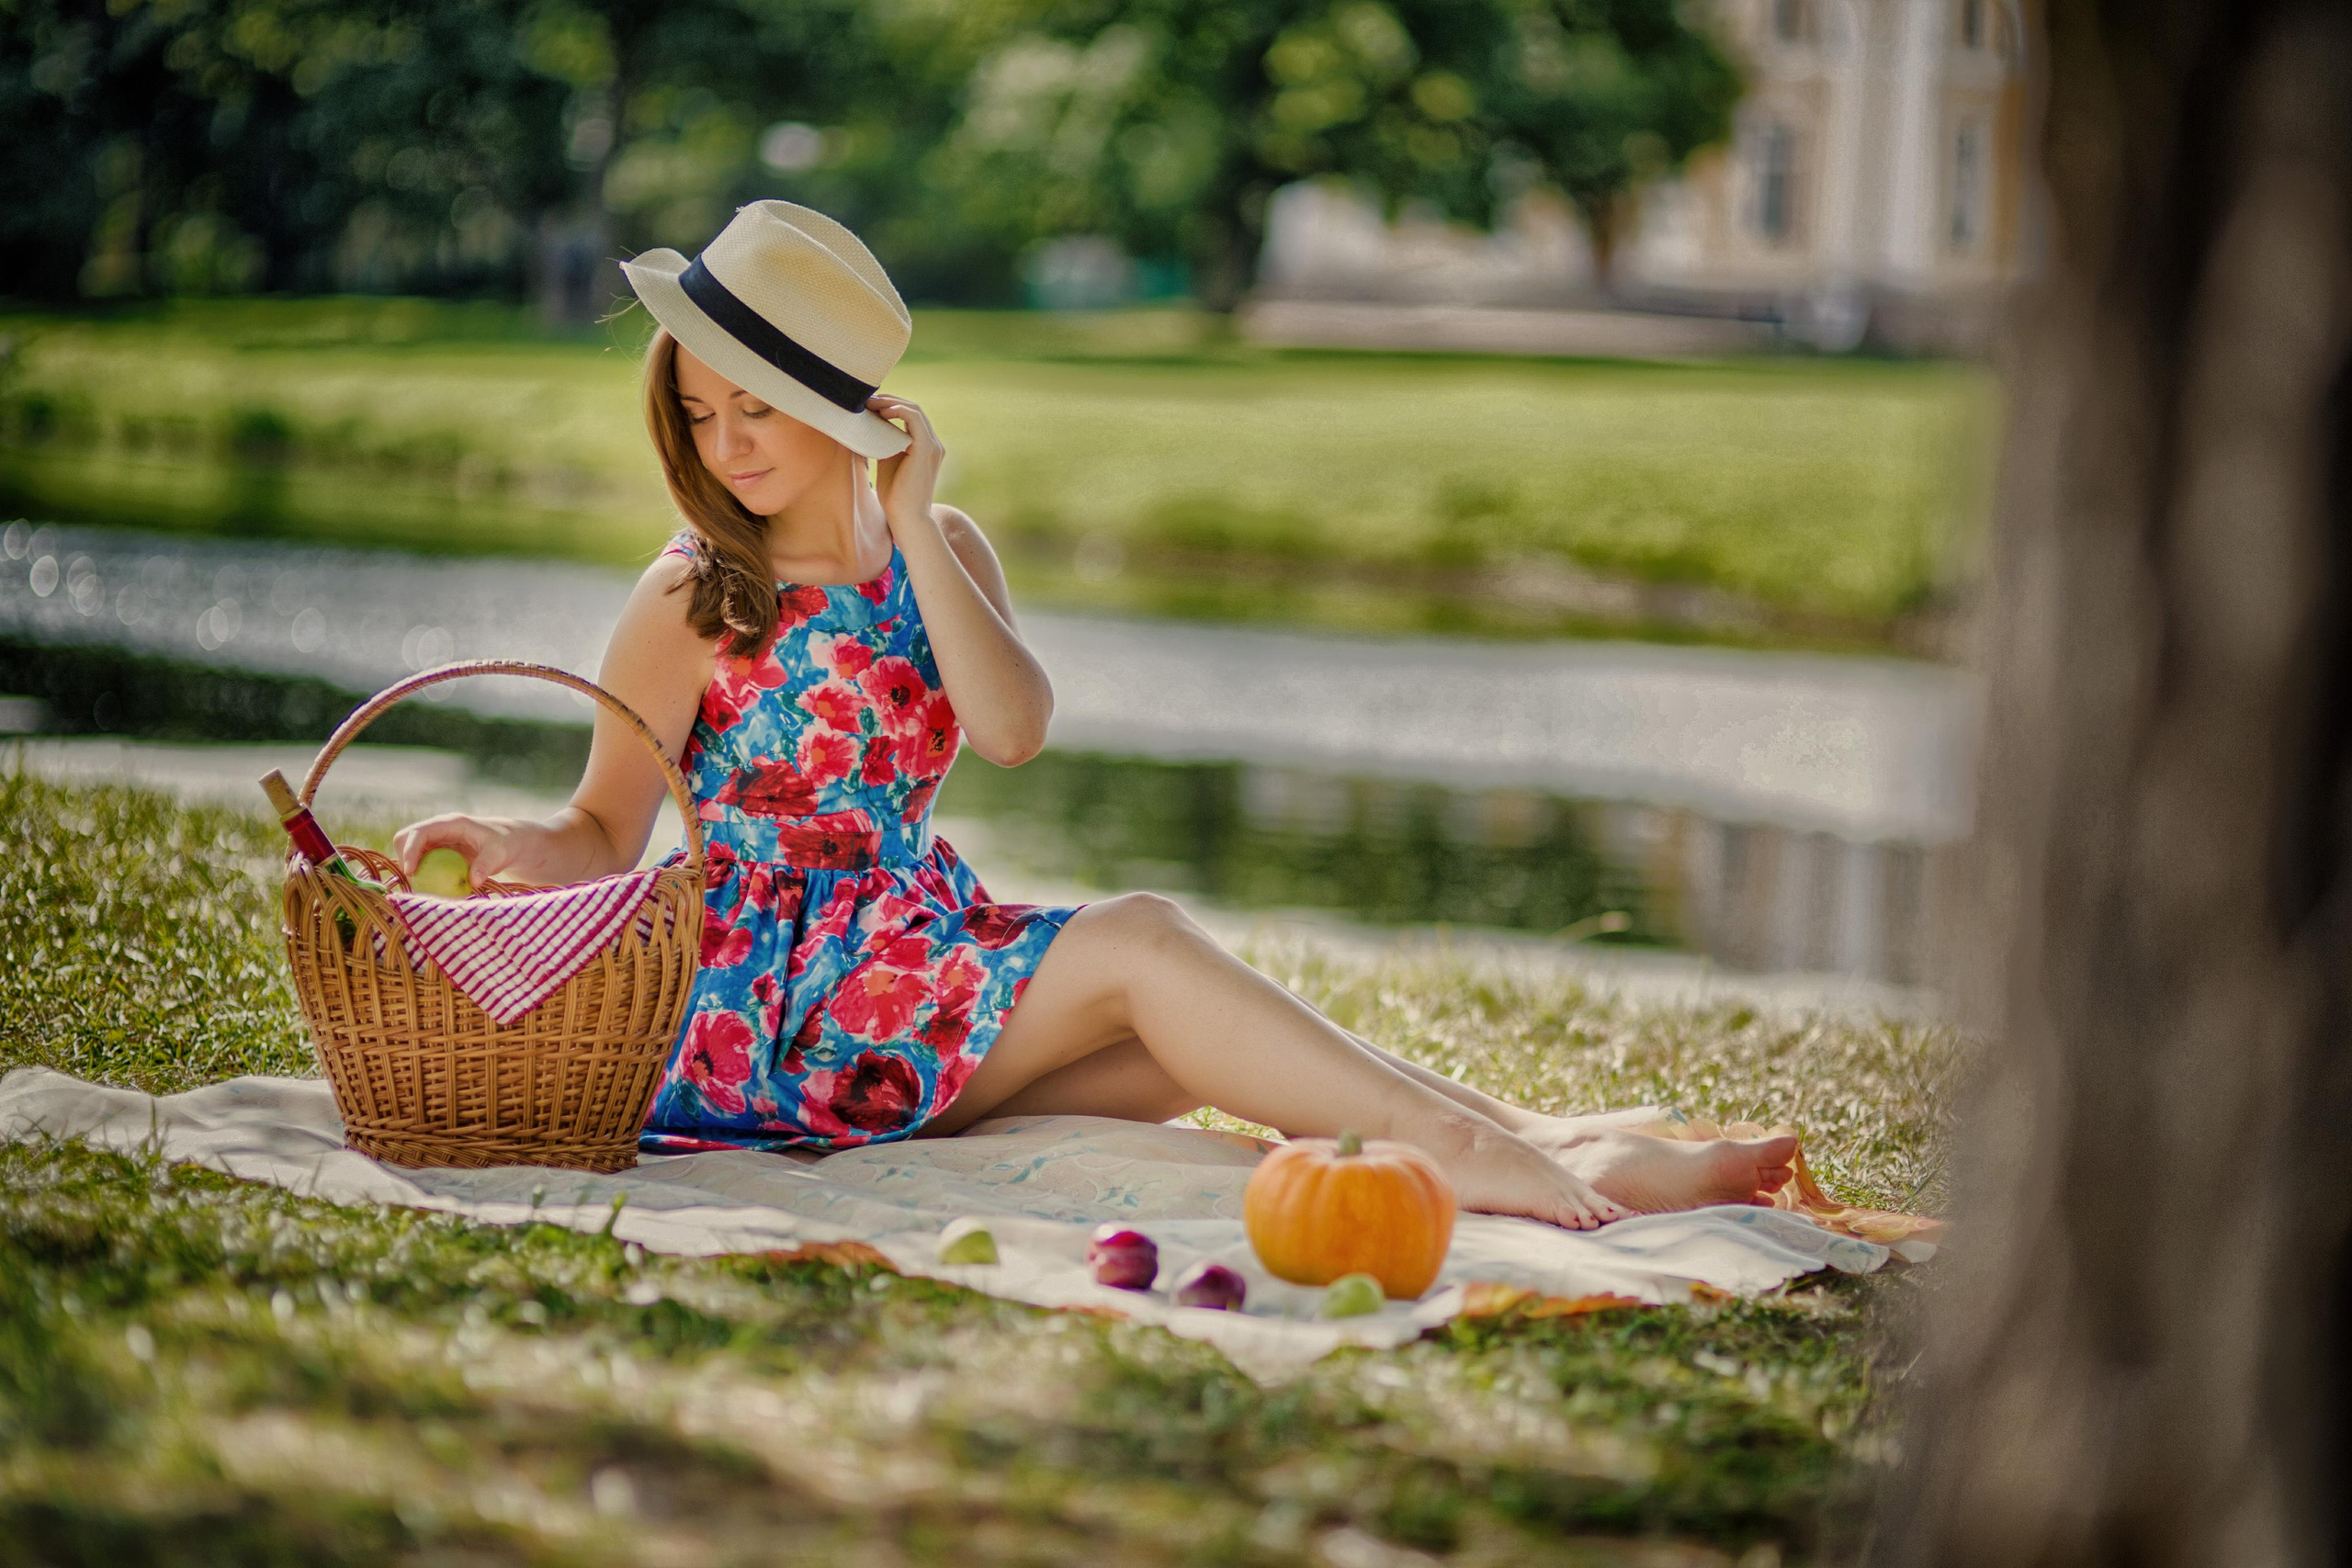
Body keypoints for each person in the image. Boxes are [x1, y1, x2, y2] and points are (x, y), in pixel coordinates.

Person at [393, 201, 1798, 1231]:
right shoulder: (695, 595)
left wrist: (913, 514)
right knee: (1142, 941)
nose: (726, 448)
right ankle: (1476, 1154)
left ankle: (1547, 1140)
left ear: (846, 408)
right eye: (700, 416)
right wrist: (514, 844)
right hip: (772, 1007)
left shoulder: (938, 553)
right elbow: (602, 824)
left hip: (913, 956)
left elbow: (1010, 728)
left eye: (757, 409)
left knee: (1187, 1045)